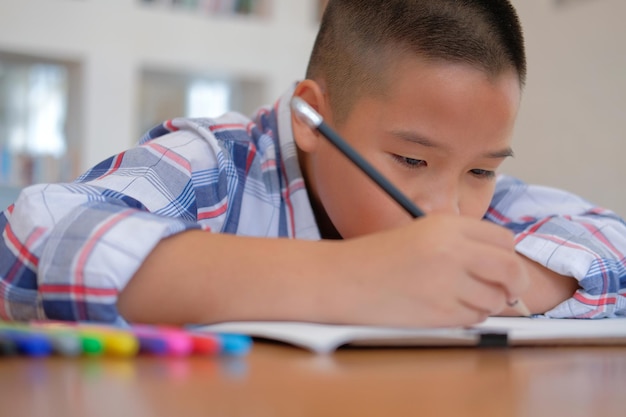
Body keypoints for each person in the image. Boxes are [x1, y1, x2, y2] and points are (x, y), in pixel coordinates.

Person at [0, 0, 624, 328]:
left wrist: (507, 278)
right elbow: (30, 241)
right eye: (411, 159)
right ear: (310, 117)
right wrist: (356, 276)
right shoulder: (215, 163)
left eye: (482, 171)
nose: (447, 209)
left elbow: (612, 239)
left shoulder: (472, 195)